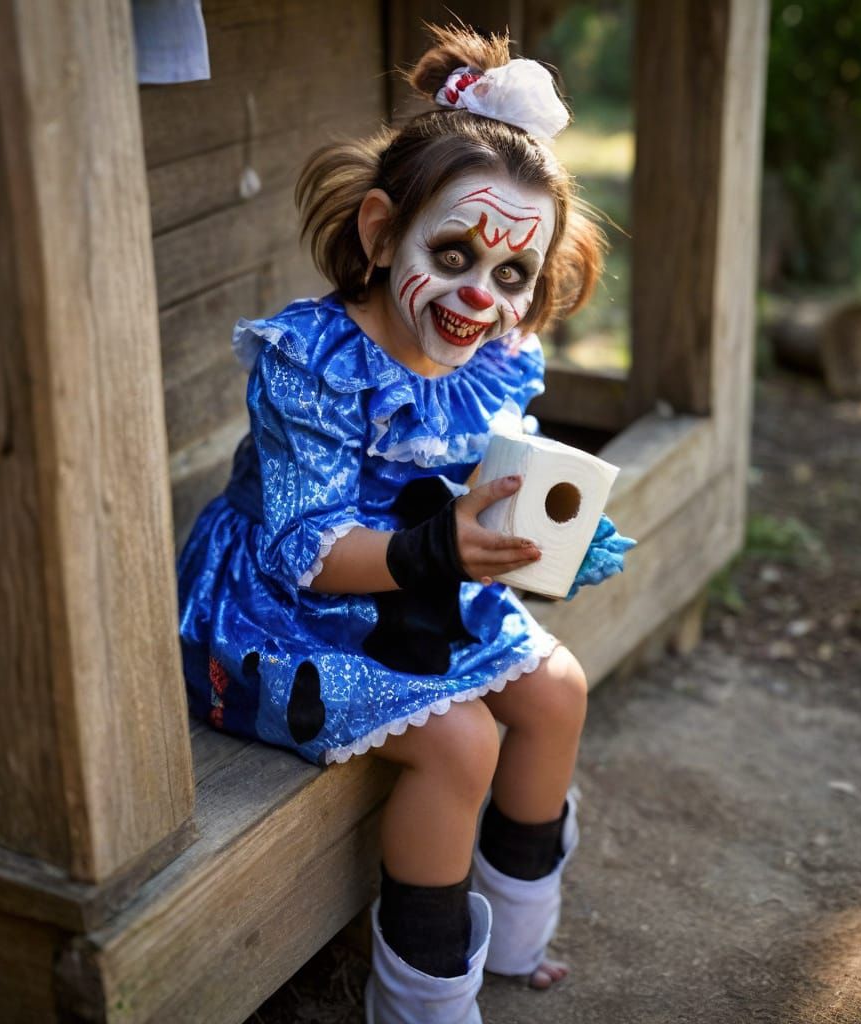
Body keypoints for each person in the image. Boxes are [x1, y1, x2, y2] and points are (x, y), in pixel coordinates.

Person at [177, 23, 634, 1024]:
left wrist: (551, 534)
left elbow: (491, 477)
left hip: (426, 584)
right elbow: (307, 551)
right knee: (461, 742)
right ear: (382, 234)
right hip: (287, 607)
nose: (481, 293)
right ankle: (422, 1002)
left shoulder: (493, 355)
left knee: (556, 691)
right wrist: (446, 549)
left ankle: (517, 938)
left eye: (512, 273)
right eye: (455, 252)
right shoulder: (316, 364)